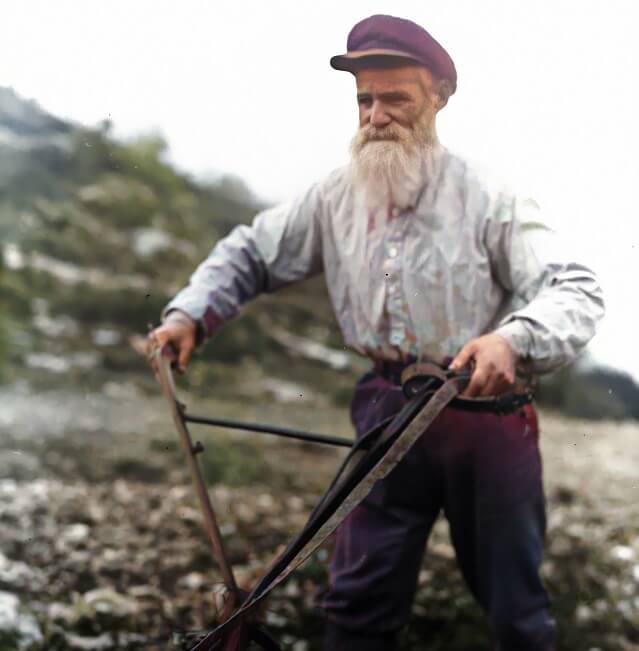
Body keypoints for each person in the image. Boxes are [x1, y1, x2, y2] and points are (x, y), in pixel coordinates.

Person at [149, 14, 604, 651]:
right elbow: (252, 252)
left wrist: (513, 339)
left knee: (516, 609)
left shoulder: (491, 198)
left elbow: (576, 289)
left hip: (484, 420)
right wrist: (189, 314)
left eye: (396, 99)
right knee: (357, 603)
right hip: (388, 414)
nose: (376, 115)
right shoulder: (334, 197)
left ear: (441, 96)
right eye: (365, 99)